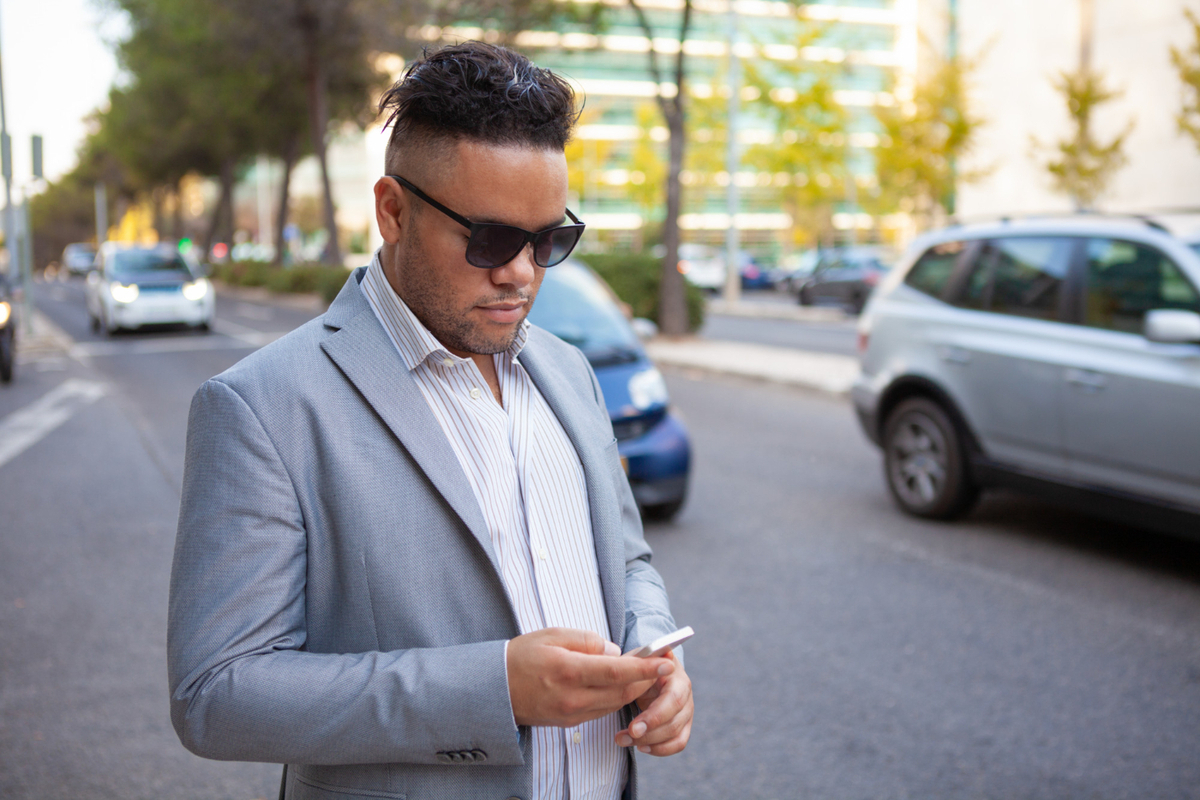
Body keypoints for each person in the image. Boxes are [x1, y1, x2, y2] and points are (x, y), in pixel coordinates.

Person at [168, 41, 692, 800]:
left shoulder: (569, 371)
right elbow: (216, 695)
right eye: (490, 239)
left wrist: (654, 650)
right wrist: (492, 689)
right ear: (393, 212)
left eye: (549, 240)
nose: (520, 273)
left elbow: (630, 563)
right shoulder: (261, 406)